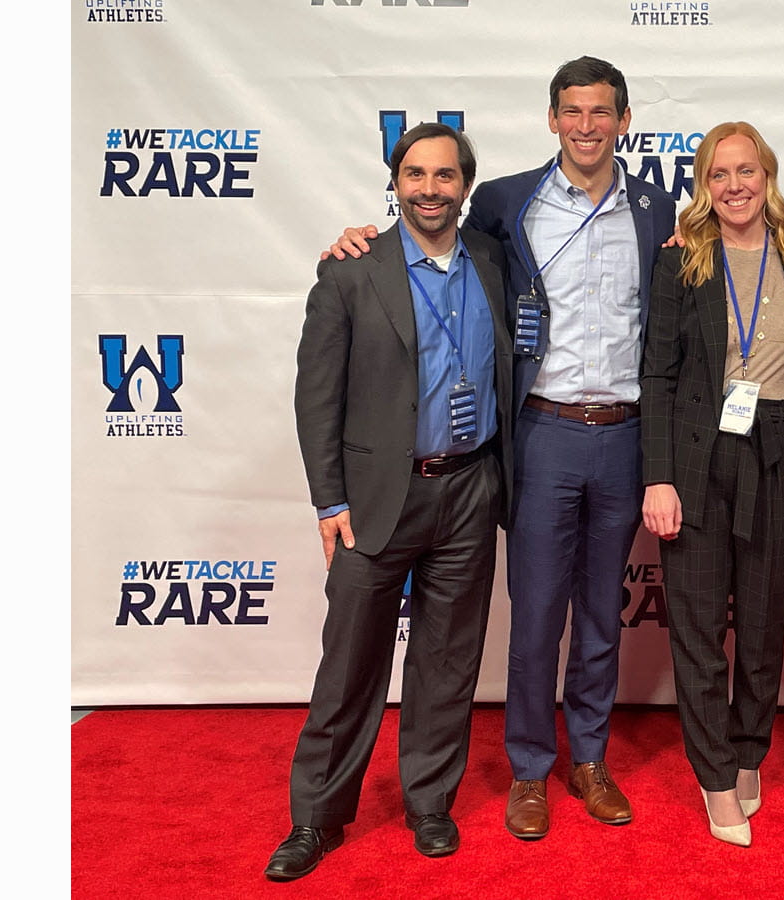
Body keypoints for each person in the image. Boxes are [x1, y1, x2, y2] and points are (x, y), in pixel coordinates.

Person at [328, 57, 676, 841]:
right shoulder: (504, 202)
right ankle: (528, 769)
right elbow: (431, 255)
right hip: (542, 434)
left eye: (602, 113)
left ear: (624, 122)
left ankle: (588, 759)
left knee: (600, 614)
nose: (587, 126)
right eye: (572, 111)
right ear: (551, 118)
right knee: (537, 615)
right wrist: (360, 239)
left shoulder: (656, 208)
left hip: (623, 434)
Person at [265, 122, 514, 882]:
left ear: (465, 186)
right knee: (349, 665)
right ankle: (315, 818)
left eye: (445, 176)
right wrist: (328, 499)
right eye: (415, 174)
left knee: (448, 660)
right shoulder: (351, 270)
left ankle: (429, 803)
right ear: (395, 182)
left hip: (470, 487)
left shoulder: (493, 260)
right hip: (377, 497)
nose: (430, 189)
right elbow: (318, 399)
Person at [639, 122, 784, 848]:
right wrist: (658, 477)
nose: (735, 186)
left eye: (747, 171)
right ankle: (714, 775)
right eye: (719, 174)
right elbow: (656, 375)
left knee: (764, 621)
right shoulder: (682, 262)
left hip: (783, 448)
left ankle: (750, 752)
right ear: (703, 186)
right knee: (698, 628)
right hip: (699, 453)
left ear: (768, 177)